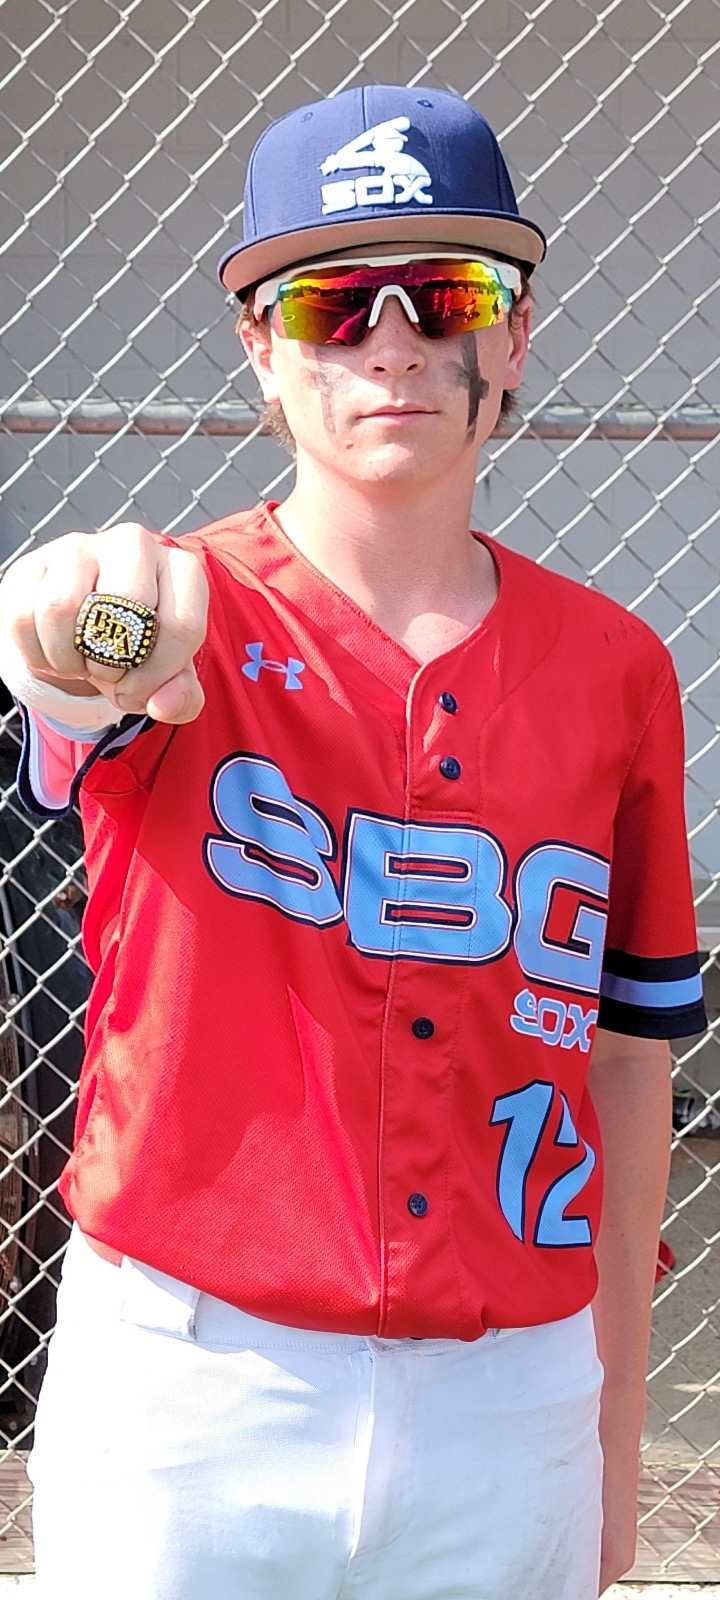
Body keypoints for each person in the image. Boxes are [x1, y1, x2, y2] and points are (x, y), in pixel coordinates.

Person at [0, 85, 706, 1600]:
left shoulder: (617, 669)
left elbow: (629, 1055)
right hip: (192, 1386)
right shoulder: (176, 611)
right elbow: (80, 669)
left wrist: (610, 1432)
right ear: (263, 350)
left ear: (514, 336)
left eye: (447, 294)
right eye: (332, 303)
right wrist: (67, 636)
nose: (391, 344)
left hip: (511, 1392)